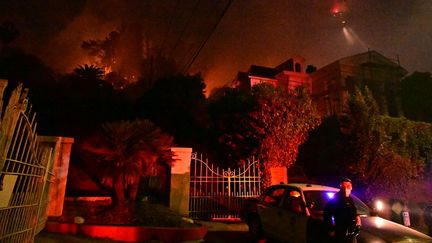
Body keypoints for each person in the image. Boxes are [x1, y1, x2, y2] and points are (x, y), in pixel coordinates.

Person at [324, 178, 361, 243]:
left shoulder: (350, 199)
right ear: (341, 187)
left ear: (351, 187)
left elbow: (353, 211)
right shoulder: (336, 198)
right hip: (340, 232)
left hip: (351, 232)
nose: (346, 188)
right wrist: (330, 229)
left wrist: (357, 218)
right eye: (344, 186)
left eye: (348, 186)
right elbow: (327, 213)